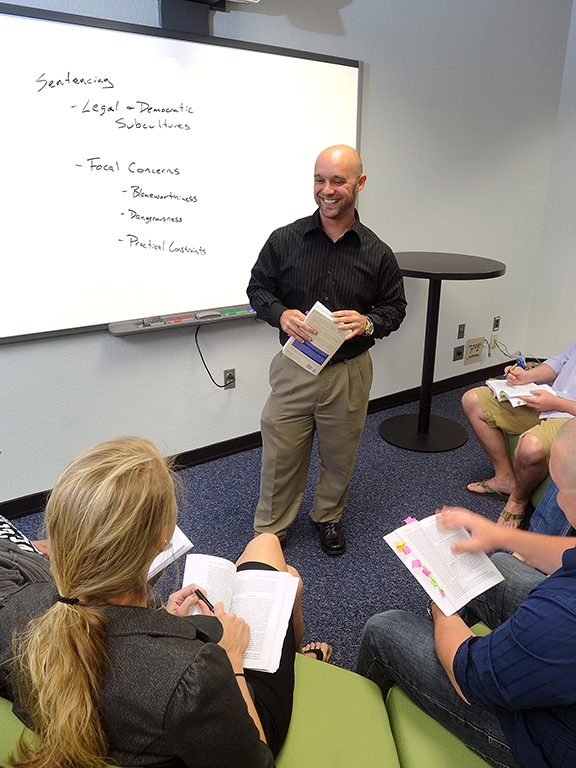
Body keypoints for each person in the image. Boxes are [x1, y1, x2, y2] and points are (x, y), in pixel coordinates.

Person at [0, 437, 329, 768]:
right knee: (275, 556)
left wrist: (160, 620)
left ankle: (295, 651)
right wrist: (231, 659)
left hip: (158, 716)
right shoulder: (196, 673)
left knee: (286, 572)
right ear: (162, 539)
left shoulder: (21, 614)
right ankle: (297, 657)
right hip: (229, 709)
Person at [357, 417, 576, 768]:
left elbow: (471, 676)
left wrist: (443, 605)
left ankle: (365, 731)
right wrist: (501, 535)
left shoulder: (560, 614)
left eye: (559, 489)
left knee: (386, 629)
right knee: (501, 566)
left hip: (544, 741)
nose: (556, 500)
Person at [247, 144, 406, 555]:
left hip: (348, 372)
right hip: (295, 367)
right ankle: (271, 529)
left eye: (338, 181)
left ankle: (327, 517)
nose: (327, 190)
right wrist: (280, 314)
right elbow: (258, 289)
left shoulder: (377, 253)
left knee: (339, 455)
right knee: (280, 452)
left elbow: (395, 308)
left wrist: (368, 322)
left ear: (360, 183)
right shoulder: (284, 240)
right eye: (320, 180)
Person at [462, 339, 576, 528]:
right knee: (473, 400)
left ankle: (518, 500)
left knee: (531, 447)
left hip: (569, 417)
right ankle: (504, 479)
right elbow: (561, 361)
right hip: (551, 401)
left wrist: (557, 404)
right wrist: (526, 376)